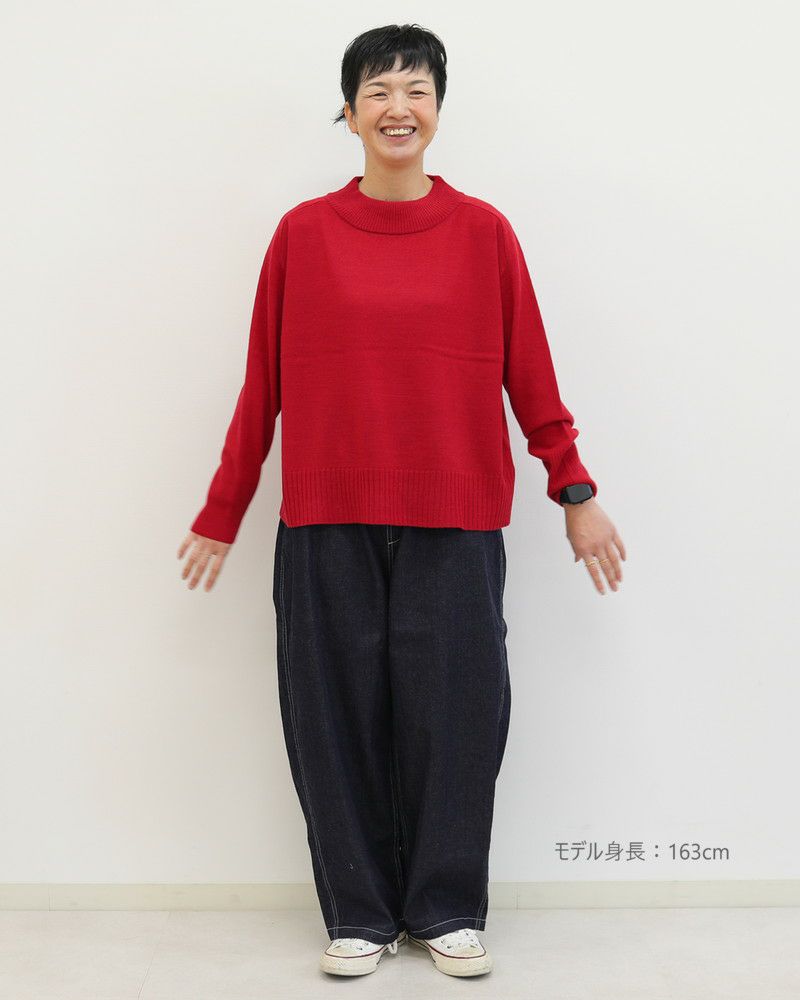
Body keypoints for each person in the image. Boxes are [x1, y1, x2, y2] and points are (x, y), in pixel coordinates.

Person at [177, 23, 626, 979]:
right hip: (325, 518)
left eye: (416, 90)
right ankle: (360, 915)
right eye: (377, 90)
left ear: (438, 111)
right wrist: (223, 509)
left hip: (456, 519)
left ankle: (447, 909)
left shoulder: (485, 233)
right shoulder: (302, 234)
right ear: (348, 114)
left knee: (458, 717)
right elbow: (262, 386)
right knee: (330, 719)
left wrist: (574, 489)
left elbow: (532, 377)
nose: (398, 107)